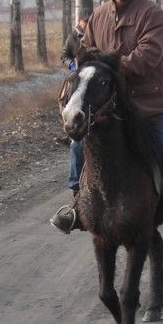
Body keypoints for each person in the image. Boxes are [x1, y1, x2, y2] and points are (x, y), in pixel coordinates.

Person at [50, 0, 163, 239]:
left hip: (148, 99)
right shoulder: (99, 15)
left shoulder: (153, 13)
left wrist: (109, 69)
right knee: (78, 145)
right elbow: (87, 54)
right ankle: (76, 205)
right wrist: (85, 65)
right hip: (108, 102)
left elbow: (147, 56)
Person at [60, 16, 89, 194]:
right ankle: (69, 129)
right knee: (66, 96)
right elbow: (64, 54)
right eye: (83, 21)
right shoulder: (72, 37)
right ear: (79, 22)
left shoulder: (97, 32)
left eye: (88, 21)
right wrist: (71, 64)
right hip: (77, 74)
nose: (85, 24)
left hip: (93, 72)